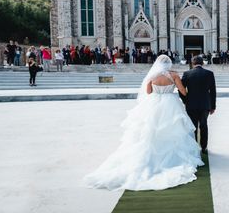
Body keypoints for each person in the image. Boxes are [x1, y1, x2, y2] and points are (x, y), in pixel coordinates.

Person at [84, 55, 203, 190]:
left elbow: (148, 91)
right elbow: (183, 91)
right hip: (170, 103)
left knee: (151, 129)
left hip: (154, 103)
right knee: (172, 129)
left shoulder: (152, 75)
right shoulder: (174, 75)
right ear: (169, 64)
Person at [181, 55, 217, 153]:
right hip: (205, 104)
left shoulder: (187, 73)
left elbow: (181, 89)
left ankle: (194, 146)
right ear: (202, 63)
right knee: (204, 125)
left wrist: (185, 100)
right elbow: (213, 91)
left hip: (190, 104)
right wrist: (213, 106)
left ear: (192, 63)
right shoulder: (209, 73)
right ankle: (204, 147)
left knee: (193, 126)